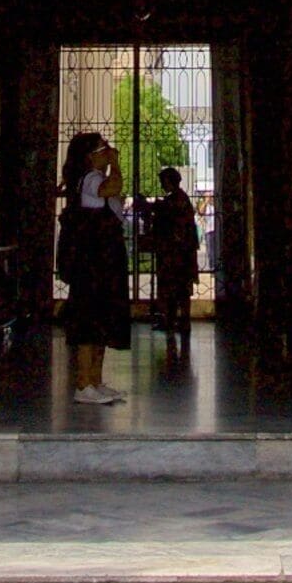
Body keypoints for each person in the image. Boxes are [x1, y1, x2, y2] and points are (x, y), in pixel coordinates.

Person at [57, 132, 130, 406]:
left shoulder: (94, 177)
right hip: (93, 260)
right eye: (102, 149)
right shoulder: (88, 179)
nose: (108, 151)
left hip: (104, 258)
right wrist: (116, 164)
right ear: (90, 155)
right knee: (89, 319)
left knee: (103, 318)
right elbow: (113, 187)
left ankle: (95, 380)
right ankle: (83, 382)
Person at [146, 166, 200, 343]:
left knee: (174, 288)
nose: (162, 185)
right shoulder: (179, 199)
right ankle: (178, 321)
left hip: (176, 253)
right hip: (181, 252)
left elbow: (166, 215)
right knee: (179, 289)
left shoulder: (177, 200)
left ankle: (174, 321)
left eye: (163, 181)